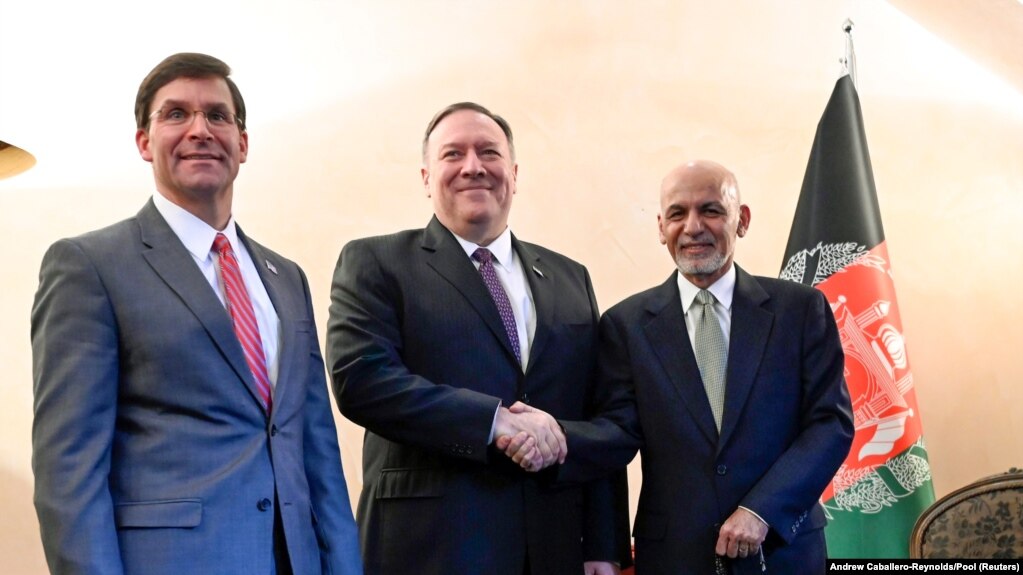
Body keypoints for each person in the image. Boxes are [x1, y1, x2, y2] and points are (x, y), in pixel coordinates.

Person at [31, 52, 362, 575]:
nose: (200, 130)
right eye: (176, 114)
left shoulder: (287, 277)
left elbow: (318, 451)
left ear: (243, 143)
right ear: (144, 142)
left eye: (217, 115)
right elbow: (68, 470)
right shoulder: (90, 265)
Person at [326, 102, 630, 575]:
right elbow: (362, 382)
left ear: (513, 172)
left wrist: (603, 544)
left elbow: (601, 413)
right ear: (427, 177)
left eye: (488, 152)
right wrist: (494, 422)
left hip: (554, 548)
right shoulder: (377, 263)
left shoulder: (572, 278)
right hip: (430, 549)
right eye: (453, 154)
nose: (473, 166)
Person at [539, 160, 854, 574]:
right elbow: (617, 432)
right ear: (660, 228)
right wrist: (553, 433)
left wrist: (762, 510)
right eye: (677, 213)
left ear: (741, 220)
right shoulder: (625, 325)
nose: (692, 227)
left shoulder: (800, 310)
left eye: (710, 210)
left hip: (782, 550)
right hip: (674, 556)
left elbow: (830, 423)